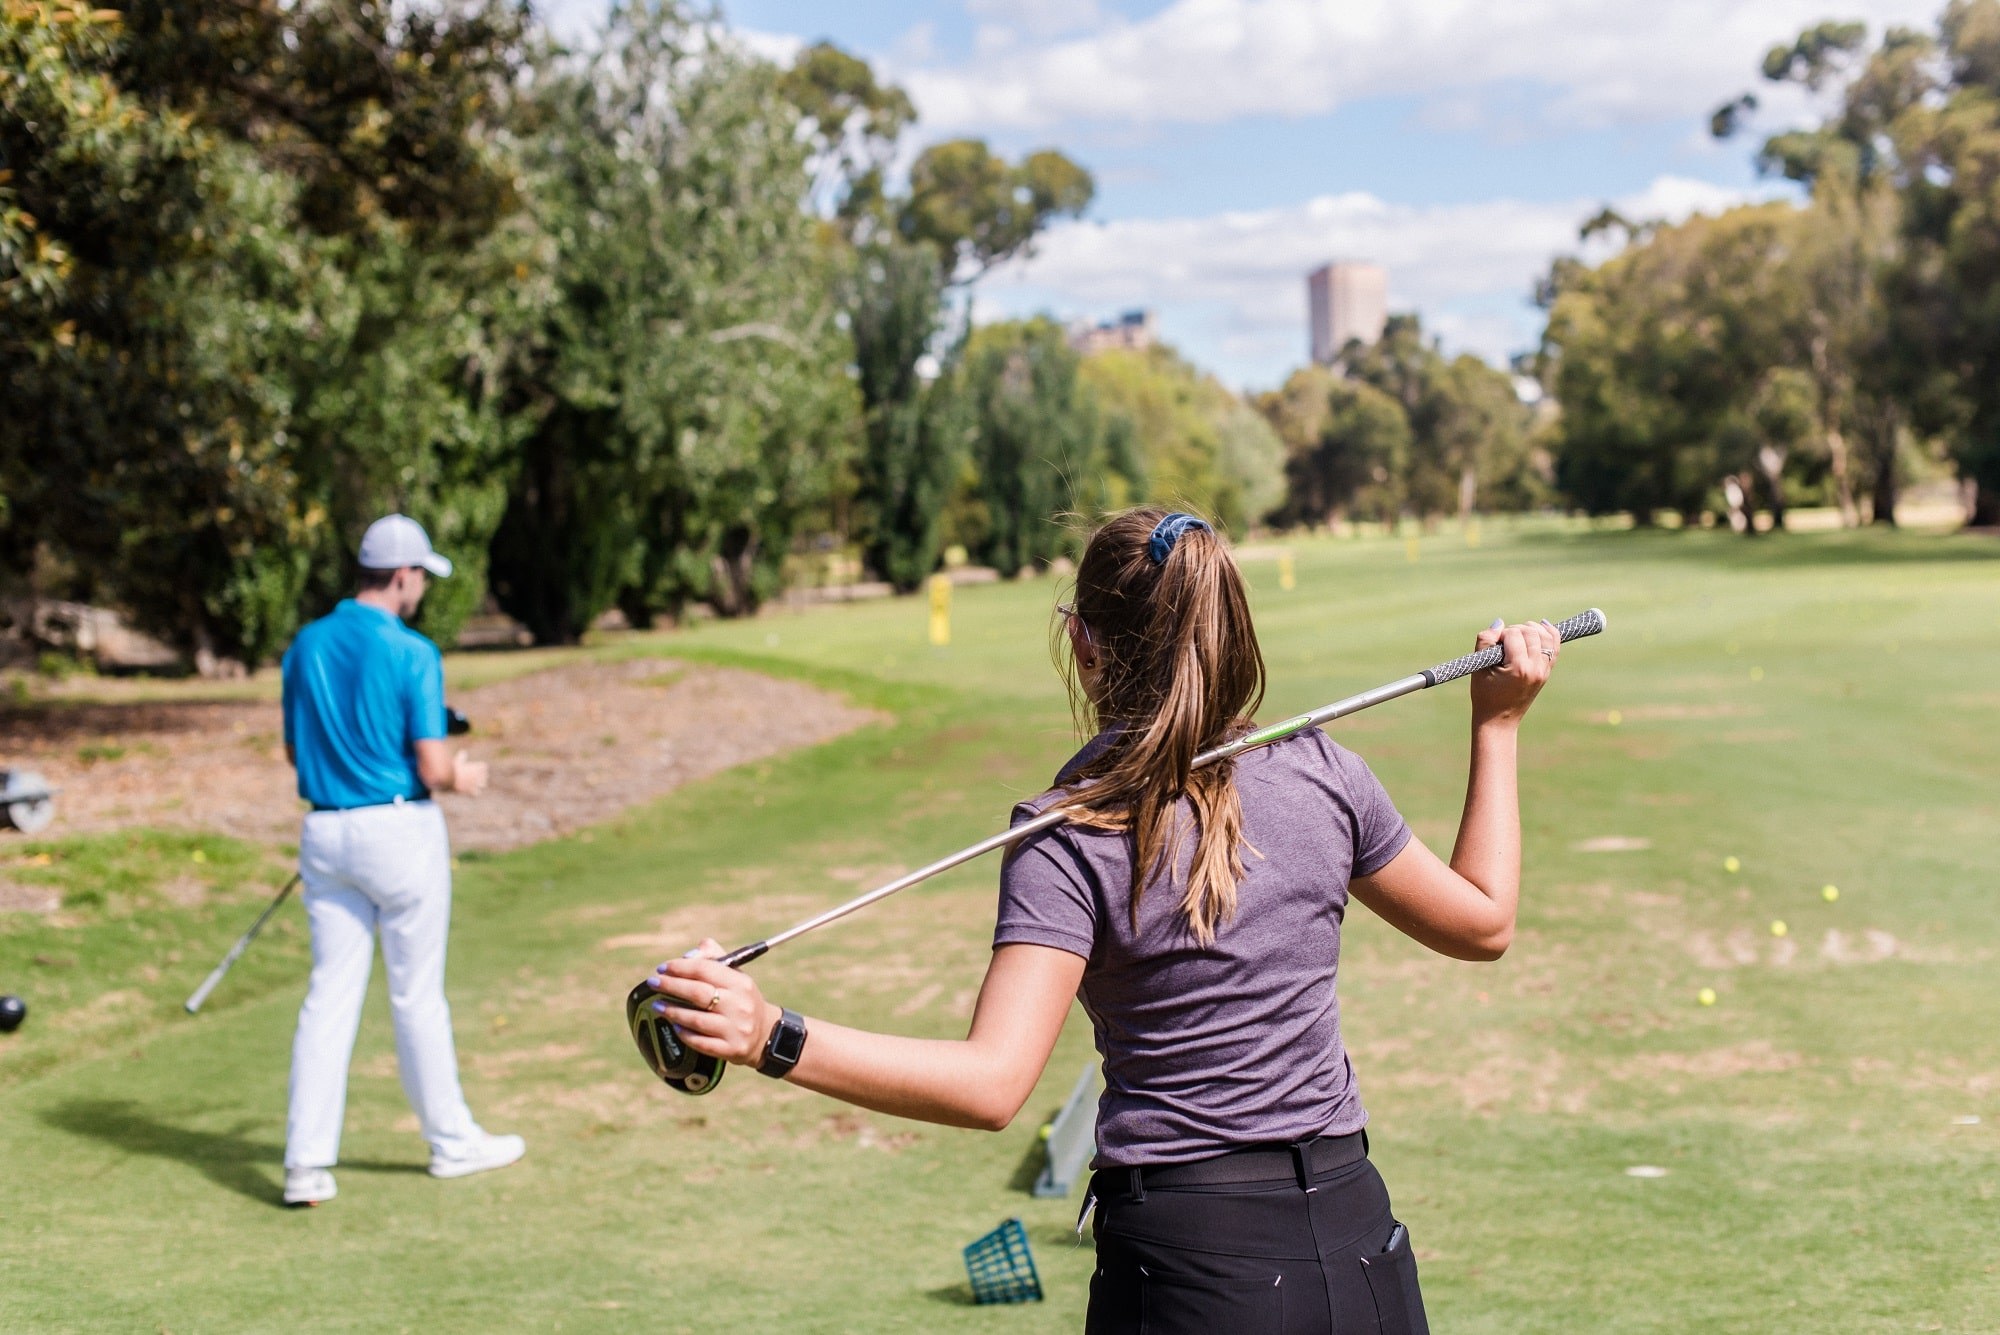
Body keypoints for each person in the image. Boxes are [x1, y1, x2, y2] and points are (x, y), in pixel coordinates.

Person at [647, 507, 1561, 1332]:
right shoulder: (1326, 772)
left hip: (1193, 1271)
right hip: (1363, 1250)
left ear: (1085, 646)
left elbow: (992, 1084)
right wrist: (1500, 726)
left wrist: (774, 1034)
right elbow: (1484, 922)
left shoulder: (1067, 828)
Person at [278, 514, 525, 1207]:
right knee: (416, 994)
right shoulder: (413, 651)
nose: (420, 590)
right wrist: (464, 777)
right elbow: (433, 764)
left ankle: (305, 1164)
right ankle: (451, 1142)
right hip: (398, 830)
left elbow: (297, 752)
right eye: (420, 577)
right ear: (403, 575)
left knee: (328, 995)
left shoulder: (304, 643)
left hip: (325, 833)